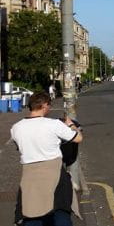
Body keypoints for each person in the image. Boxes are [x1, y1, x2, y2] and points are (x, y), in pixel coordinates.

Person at [10, 92, 83, 226]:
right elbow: (78, 138)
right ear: (44, 105)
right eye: (49, 105)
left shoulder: (16, 128)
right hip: (54, 173)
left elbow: (21, 148)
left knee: (31, 212)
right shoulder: (54, 124)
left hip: (29, 176)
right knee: (60, 210)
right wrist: (71, 125)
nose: (49, 108)